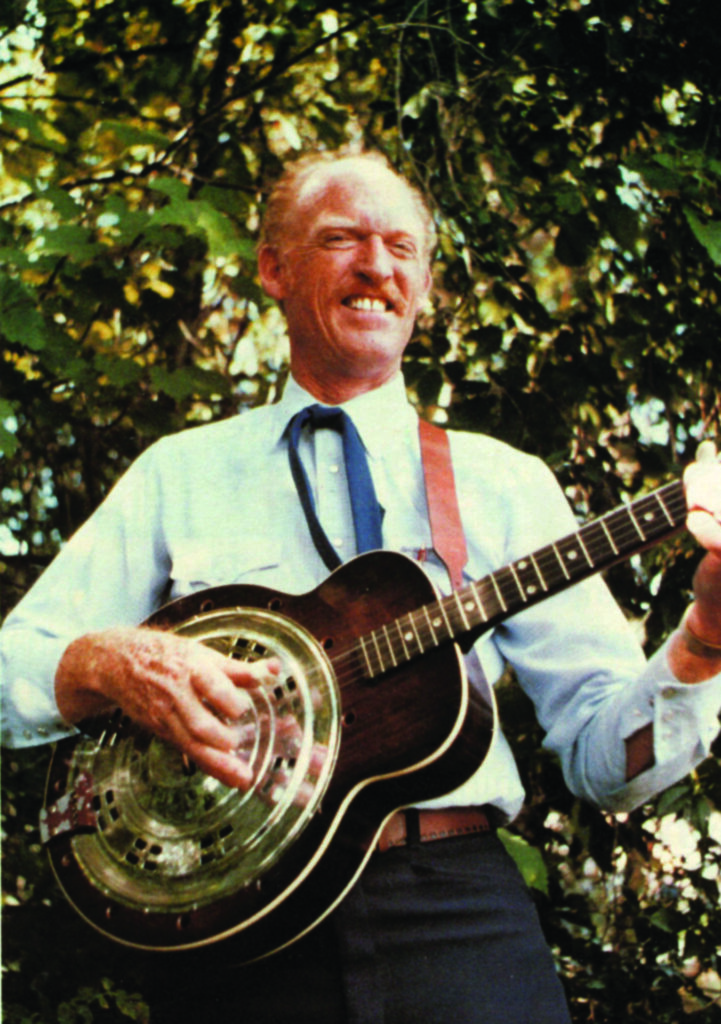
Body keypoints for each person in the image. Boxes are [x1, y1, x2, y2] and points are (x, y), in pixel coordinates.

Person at [2, 147, 721, 1024]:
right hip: (235, 924)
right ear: (273, 266)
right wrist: (105, 660)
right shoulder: (178, 473)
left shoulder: (502, 482)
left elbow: (604, 763)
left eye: (401, 248)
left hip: (455, 912)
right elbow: (12, 670)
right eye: (341, 238)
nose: (375, 265)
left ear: (423, 287)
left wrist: (702, 640)